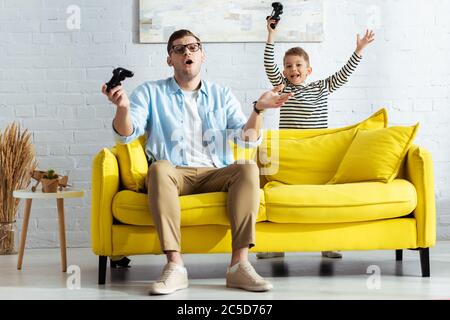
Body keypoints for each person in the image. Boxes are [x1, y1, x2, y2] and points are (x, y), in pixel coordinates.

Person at [102, 29, 293, 295]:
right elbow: (126, 134)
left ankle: (239, 266)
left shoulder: (221, 94)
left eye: (193, 47)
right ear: (170, 60)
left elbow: (247, 139)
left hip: (215, 172)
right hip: (174, 174)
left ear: (203, 54)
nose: (187, 53)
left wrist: (258, 110)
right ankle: (175, 266)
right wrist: (122, 108)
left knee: (248, 167)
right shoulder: (150, 92)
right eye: (179, 49)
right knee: (158, 168)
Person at [257, 18, 375, 260]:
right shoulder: (283, 88)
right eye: (288, 66)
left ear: (308, 70)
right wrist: (271, 35)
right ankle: (276, 245)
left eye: (298, 65)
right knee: (282, 197)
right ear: (284, 71)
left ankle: (329, 242)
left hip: (318, 154)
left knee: (323, 198)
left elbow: (343, 75)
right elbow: (269, 64)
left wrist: (359, 50)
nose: (293, 69)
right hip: (289, 152)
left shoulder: (321, 87)